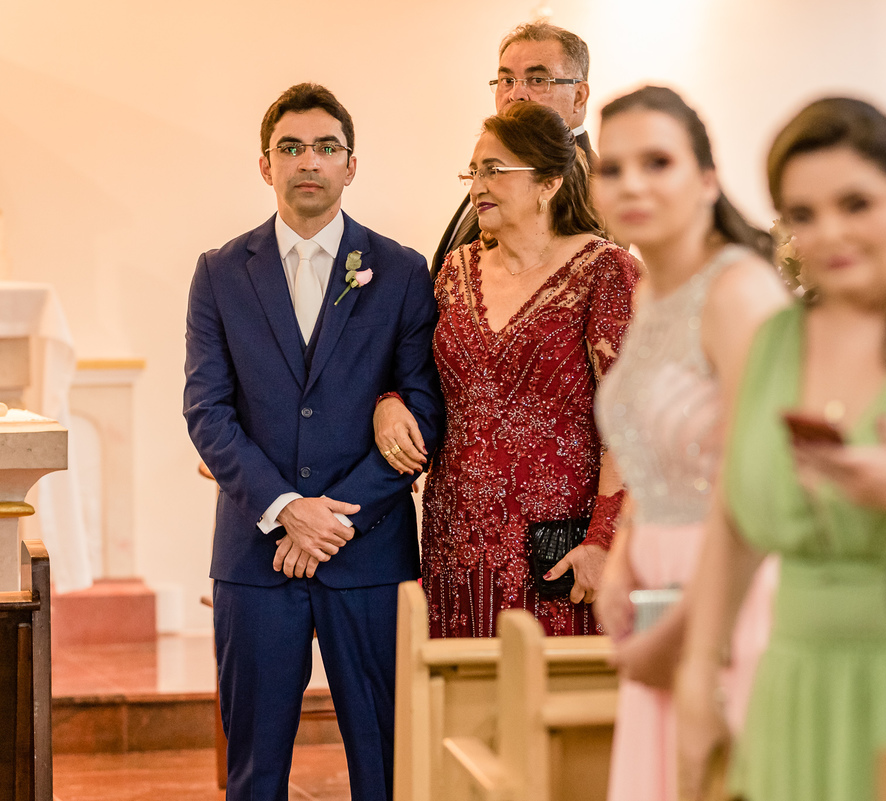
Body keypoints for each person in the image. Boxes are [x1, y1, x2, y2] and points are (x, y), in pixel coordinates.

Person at [675, 98, 886, 801]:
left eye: (856, 204)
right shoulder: (775, 343)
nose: (831, 234)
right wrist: (700, 670)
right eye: (804, 214)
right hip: (794, 683)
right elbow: (732, 517)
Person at [183, 83, 442, 799]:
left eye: (326, 147)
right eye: (290, 147)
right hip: (257, 555)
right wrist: (287, 507)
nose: (309, 161)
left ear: (351, 165)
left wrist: (332, 516)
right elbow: (206, 409)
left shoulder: (399, 270)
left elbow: (424, 405)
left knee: (388, 768)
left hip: (370, 554)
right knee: (254, 774)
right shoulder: (218, 273)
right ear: (264, 165)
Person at [590, 86, 791, 801]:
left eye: (657, 161)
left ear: (707, 179)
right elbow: (653, 458)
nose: (632, 183)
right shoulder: (650, 294)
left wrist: (686, 642)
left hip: (732, 598)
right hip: (658, 586)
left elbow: (760, 486)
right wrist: (621, 560)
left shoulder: (740, 292)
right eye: (612, 168)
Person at [376, 100, 638, 637]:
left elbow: (633, 422)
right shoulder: (454, 271)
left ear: (549, 184)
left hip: (559, 548)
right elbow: (412, 372)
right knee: (461, 711)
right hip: (457, 537)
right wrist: (390, 400)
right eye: (473, 172)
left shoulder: (606, 272)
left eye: (495, 171)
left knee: (547, 706)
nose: (478, 186)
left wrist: (602, 540)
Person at [429, 21, 595, 284]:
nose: (516, 94)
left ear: (579, 96)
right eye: (507, 80)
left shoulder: (600, 185)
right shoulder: (497, 165)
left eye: (538, 80)